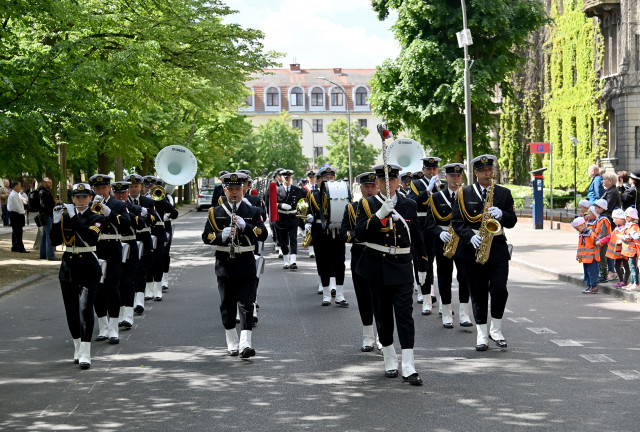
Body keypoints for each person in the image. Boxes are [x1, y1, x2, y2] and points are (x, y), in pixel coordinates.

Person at [355, 164, 427, 385]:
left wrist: (422, 266)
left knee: (405, 315)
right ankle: (389, 359)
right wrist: (379, 215)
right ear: (377, 183)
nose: (388, 184)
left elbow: (416, 236)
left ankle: (408, 365)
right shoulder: (366, 205)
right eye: (383, 180)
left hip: (403, 266)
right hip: (377, 267)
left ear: (398, 182)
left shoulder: (409, 204)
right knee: (383, 316)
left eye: (392, 180)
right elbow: (359, 234)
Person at [451, 154, 517, 351]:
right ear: (476, 173)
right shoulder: (463, 193)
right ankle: (481, 333)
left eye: (490, 170)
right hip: (472, 247)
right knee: (478, 292)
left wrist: (502, 215)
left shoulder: (504, 193)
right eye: (484, 171)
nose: (489, 174)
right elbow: (456, 221)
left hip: (496, 246)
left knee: (500, 289)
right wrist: (468, 237)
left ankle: (495, 329)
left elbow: (512, 221)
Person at [202, 172, 268, 359]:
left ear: (243, 189)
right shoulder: (215, 212)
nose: (234, 193)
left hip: (246, 261)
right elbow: (206, 236)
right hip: (225, 264)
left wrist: (246, 227)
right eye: (230, 189)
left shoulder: (253, 211)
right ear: (225, 190)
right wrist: (220, 236)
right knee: (227, 304)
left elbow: (263, 234)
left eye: (238, 189)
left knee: (247, 303)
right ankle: (232, 340)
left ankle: (246, 344)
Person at [50, 183, 105, 369]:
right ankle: (77, 347)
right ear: (72, 198)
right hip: (69, 267)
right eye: (77, 197)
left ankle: (86, 352)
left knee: (85, 309)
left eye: (84, 197)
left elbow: (90, 237)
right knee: (72, 310)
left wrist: (73, 217)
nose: (81, 200)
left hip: (89, 266)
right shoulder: (65, 217)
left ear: (90, 198)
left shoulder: (97, 217)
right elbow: (55, 241)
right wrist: (56, 220)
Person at [425, 163, 472, 328]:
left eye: (459, 176)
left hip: (463, 241)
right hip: (443, 241)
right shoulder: (437, 197)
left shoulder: (466, 195)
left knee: (464, 277)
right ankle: (446, 313)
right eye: (452, 176)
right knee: (444, 277)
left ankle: (464, 314)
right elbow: (429, 223)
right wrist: (439, 232)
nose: (456, 179)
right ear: (446, 176)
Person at [340, 172, 380, 352]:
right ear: (360, 188)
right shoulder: (352, 208)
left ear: (378, 186)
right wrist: (356, 236)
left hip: (379, 254)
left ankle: (381, 336)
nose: (370, 190)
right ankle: (367, 336)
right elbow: (344, 232)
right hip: (360, 253)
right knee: (363, 297)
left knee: (380, 298)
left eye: (373, 186)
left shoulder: (384, 206)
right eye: (366, 187)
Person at [90, 174, 131, 345]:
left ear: (109, 188)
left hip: (113, 248)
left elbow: (127, 223)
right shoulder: (89, 205)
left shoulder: (118, 204)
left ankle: (114, 328)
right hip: (96, 249)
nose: (101, 191)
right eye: (97, 188)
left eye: (104, 188)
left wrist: (109, 212)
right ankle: (103, 327)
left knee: (113, 288)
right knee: (97, 289)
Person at [305, 166, 348, 307]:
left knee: (339, 262)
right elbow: (309, 212)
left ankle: (340, 294)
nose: (329, 179)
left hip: (337, 231)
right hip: (320, 231)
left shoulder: (342, 192)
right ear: (321, 180)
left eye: (331, 177)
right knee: (322, 262)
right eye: (326, 178)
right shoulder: (313, 195)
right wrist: (308, 217)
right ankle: (326, 294)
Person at [407, 157, 441, 314]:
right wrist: (428, 190)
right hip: (421, 226)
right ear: (423, 170)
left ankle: (432, 293)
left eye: (434, 169)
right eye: (429, 169)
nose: (432, 171)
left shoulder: (442, 184)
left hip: (437, 226)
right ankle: (424, 293)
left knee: (435, 261)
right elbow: (413, 201)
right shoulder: (416, 184)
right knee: (422, 260)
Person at [112, 181, 144, 329]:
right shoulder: (109, 207)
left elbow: (140, 223)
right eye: (117, 193)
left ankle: (128, 316)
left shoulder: (135, 208)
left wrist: (126, 212)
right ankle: (119, 314)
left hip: (130, 245)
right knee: (116, 282)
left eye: (123, 193)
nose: (120, 195)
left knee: (128, 281)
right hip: (115, 246)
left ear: (127, 193)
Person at [127, 174, 160, 314]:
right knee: (130, 271)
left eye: (136, 186)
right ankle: (132, 298)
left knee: (142, 268)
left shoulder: (147, 201)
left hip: (144, 236)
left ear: (141, 187)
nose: (134, 189)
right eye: (131, 187)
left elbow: (154, 218)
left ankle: (139, 299)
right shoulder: (123, 201)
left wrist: (147, 215)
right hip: (129, 238)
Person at [275, 169, 303, 269]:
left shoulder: (296, 189)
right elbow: (272, 203)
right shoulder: (277, 190)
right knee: (283, 241)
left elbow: (301, 203)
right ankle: (286, 260)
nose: (287, 179)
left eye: (288, 177)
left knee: (293, 239)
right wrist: (281, 205)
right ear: (281, 178)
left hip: (292, 217)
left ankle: (293, 261)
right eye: (285, 178)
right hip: (281, 218)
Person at [600, 208, 629, 289]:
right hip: (617, 253)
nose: (613, 221)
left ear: (620, 219)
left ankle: (625, 281)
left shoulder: (625, 229)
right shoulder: (617, 229)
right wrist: (602, 241)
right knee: (617, 267)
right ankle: (621, 281)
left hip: (624, 253)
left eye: (614, 219)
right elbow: (610, 237)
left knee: (626, 267)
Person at [571, 216, 600, 295]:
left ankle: (593, 286)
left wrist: (597, 242)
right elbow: (580, 246)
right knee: (587, 273)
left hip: (592, 257)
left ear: (582, 225)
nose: (577, 230)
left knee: (592, 272)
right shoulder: (581, 234)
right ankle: (589, 285)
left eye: (577, 228)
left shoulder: (590, 232)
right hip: (585, 258)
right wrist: (578, 254)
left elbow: (595, 240)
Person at [38, 177, 58, 261]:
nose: (51, 184)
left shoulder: (44, 192)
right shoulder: (43, 192)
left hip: (45, 215)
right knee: (49, 235)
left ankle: (43, 254)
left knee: (45, 235)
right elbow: (43, 205)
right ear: (44, 183)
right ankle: (50, 255)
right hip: (46, 215)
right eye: (49, 182)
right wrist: (54, 202)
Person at [7, 180, 28, 253]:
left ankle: (15, 246)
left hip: (17, 214)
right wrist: (23, 211)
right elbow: (17, 206)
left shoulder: (16, 194)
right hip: (16, 214)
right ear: (15, 186)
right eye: (19, 186)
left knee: (16, 231)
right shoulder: (13, 195)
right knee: (18, 231)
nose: (20, 188)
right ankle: (20, 247)